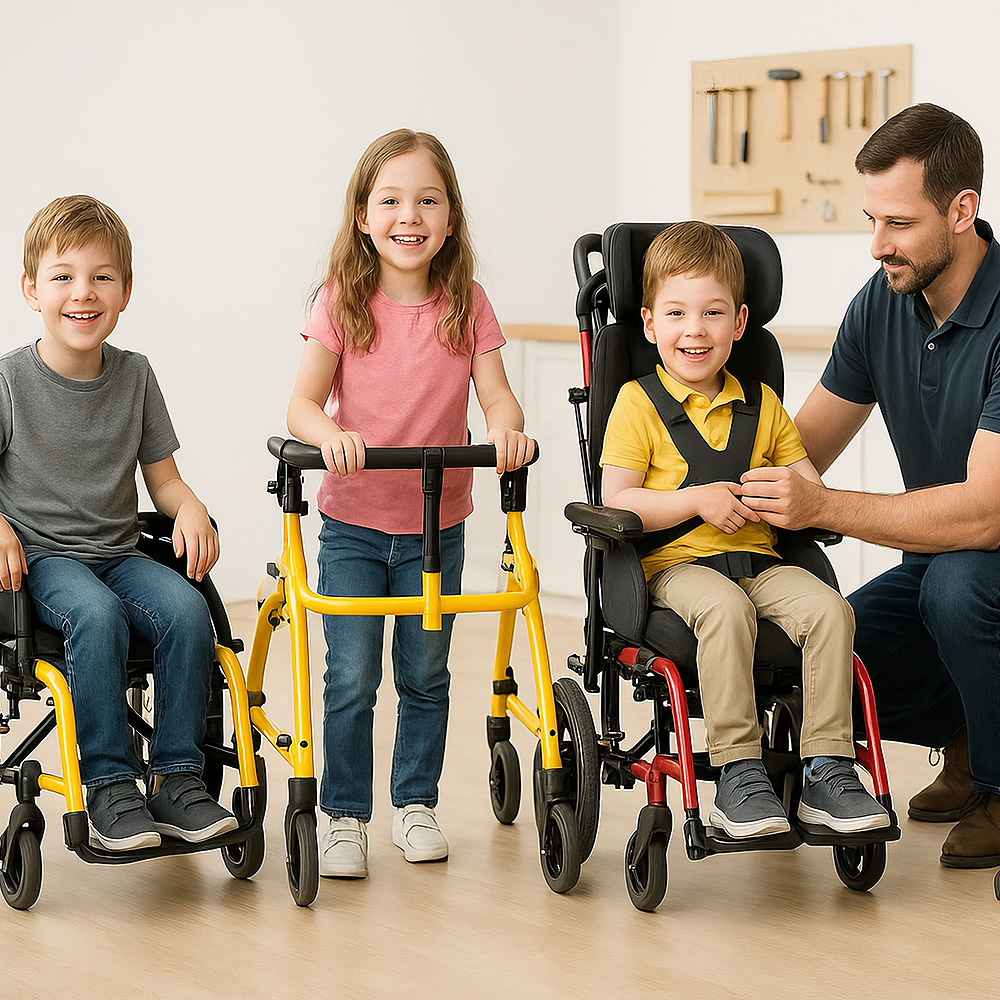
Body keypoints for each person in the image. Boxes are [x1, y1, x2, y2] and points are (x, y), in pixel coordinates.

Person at [740, 103, 1000, 868]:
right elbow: (802, 446)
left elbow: (986, 516)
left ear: (962, 210)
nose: (877, 244)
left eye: (898, 222)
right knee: (831, 652)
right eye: (870, 219)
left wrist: (823, 508)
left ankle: (997, 782)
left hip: (984, 552)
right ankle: (967, 739)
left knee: (957, 591)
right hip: (939, 555)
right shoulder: (882, 301)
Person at [286, 129, 535, 878]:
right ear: (363, 216)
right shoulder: (343, 301)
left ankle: (415, 803)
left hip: (438, 525)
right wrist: (331, 432)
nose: (409, 215)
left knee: (425, 673)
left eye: (428, 200)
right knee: (352, 677)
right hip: (355, 526)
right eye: (390, 200)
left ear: (451, 217)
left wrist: (506, 433)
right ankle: (343, 816)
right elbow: (300, 403)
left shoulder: (468, 303)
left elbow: (496, 396)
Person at [600, 221, 889, 840]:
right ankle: (738, 772)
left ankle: (829, 768)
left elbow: (807, 489)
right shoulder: (636, 403)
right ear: (649, 324)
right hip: (676, 569)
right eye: (675, 313)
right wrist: (695, 500)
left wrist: (791, 498)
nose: (694, 329)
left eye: (712, 313)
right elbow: (618, 503)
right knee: (726, 609)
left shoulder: (764, 405)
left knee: (831, 611)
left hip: (763, 563)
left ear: (739, 322)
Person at [0, 195, 237, 851]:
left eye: (102, 277)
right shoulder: (9, 381)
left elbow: (163, 479)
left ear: (126, 291)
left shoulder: (135, 377)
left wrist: (188, 506)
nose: (83, 293)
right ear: (31, 289)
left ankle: (179, 780)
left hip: (118, 550)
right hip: (44, 562)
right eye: (63, 276)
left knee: (188, 610)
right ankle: (109, 784)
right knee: (97, 615)